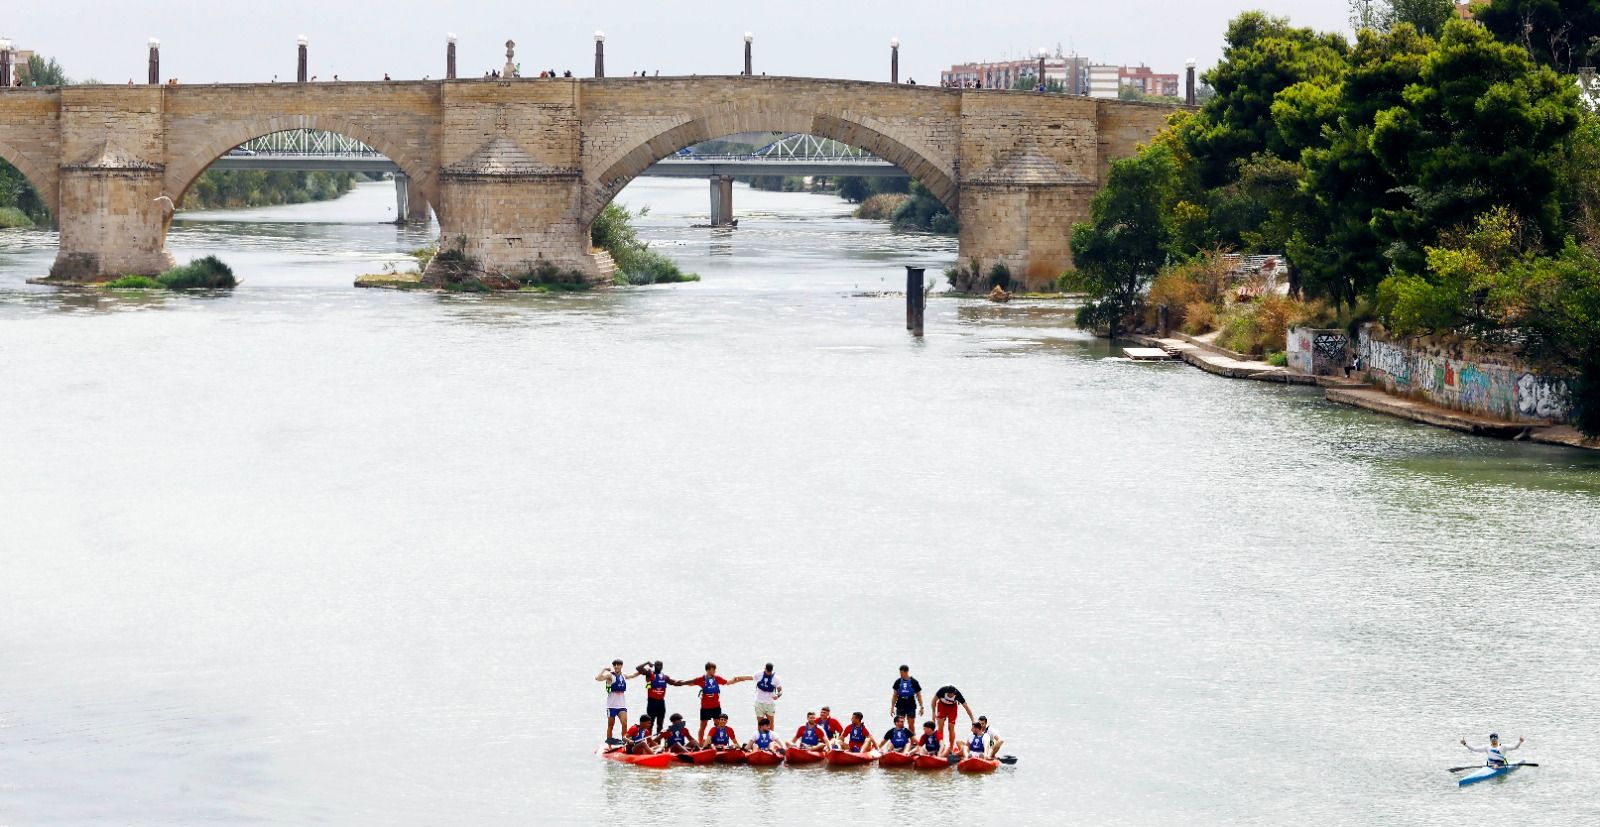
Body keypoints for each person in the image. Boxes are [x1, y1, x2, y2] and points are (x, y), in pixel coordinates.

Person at [694, 662, 752, 742]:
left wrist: (738, 680)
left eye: (715, 670)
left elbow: (727, 682)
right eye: (713, 670)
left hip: (716, 706)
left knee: (718, 724)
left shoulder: (717, 678)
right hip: (705, 707)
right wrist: (679, 683)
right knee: (703, 726)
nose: (714, 671)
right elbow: (691, 683)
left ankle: (718, 740)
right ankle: (700, 742)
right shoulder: (702, 679)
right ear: (708, 670)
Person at [595, 659, 640, 743]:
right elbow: (597, 678)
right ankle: (609, 741)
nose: (616, 666)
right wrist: (604, 669)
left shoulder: (624, 675)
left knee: (624, 723)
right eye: (614, 665)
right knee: (611, 725)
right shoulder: (610, 676)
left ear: (621, 666)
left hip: (622, 705)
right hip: (611, 706)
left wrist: (642, 672)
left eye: (618, 665)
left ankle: (624, 740)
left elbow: (633, 675)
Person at [637, 660, 684, 734]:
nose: (659, 667)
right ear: (654, 666)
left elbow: (674, 682)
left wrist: (684, 682)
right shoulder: (650, 674)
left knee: (660, 724)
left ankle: (658, 742)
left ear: (662, 667)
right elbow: (638, 668)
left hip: (661, 702)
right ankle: (649, 742)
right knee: (650, 724)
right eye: (657, 665)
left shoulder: (665, 677)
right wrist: (647, 663)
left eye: (660, 665)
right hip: (652, 702)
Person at [890, 665, 924, 730]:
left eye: (902, 673)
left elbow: (919, 695)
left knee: (911, 725)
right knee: (899, 724)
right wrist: (892, 707)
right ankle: (903, 739)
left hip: (910, 704)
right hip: (900, 704)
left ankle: (912, 740)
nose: (900, 674)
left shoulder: (914, 682)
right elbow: (894, 695)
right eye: (900, 672)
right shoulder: (898, 682)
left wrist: (921, 707)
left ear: (906, 672)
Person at [752, 663, 782, 730]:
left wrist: (778, 695)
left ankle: (771, 739)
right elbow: (751, 677)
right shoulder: (759, 674)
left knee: (770, 724)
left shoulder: (776, 678)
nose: (768, 673)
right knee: (760, 724)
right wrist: (739, 678)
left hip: (770, 704)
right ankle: (759, 739)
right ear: (765, 669)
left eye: (770, 671)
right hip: (759, 703)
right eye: (767, 671)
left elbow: (780, 691)